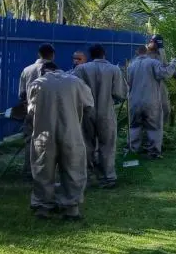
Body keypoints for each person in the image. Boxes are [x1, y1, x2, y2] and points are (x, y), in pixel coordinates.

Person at [27, 61, 94, 219]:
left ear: (43, 72)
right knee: (73, 168)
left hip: (44, 134)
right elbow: (89, 105)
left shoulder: (38, 84)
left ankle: (44, 206)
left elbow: (31, 110)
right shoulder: (76, 82)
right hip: (71, 132)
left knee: (43, 169)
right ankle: (71, 208)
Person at [74, 44, 128, 189]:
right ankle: (108, 177)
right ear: (104, 54)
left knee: (86, 144)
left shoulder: (81, 69)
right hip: (106, 112)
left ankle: (86, 175)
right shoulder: (114, 69)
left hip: (86, 112)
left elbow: (75, 90)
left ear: (90, 55)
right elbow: (119, 93)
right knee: (107, 145)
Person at [127, 46, 175, 158]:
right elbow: (166, 74)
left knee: (134, 127)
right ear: (147, 52)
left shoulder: (131, 65)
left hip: (134, 102)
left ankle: (132, 151)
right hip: (151, 101)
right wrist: (173, 63)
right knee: (154, 128)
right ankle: (153, 153)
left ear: (136, 52)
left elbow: (127, 83)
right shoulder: (153, 62)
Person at [18, 43, 55, 177]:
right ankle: (44, 170)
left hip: (30, 110)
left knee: (30, 141)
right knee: (48, 141)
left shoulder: (27, 70)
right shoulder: (55, 71)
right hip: (49, 112)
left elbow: (22, 93)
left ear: (39, 54)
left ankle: (29, 170)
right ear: (52, 55)